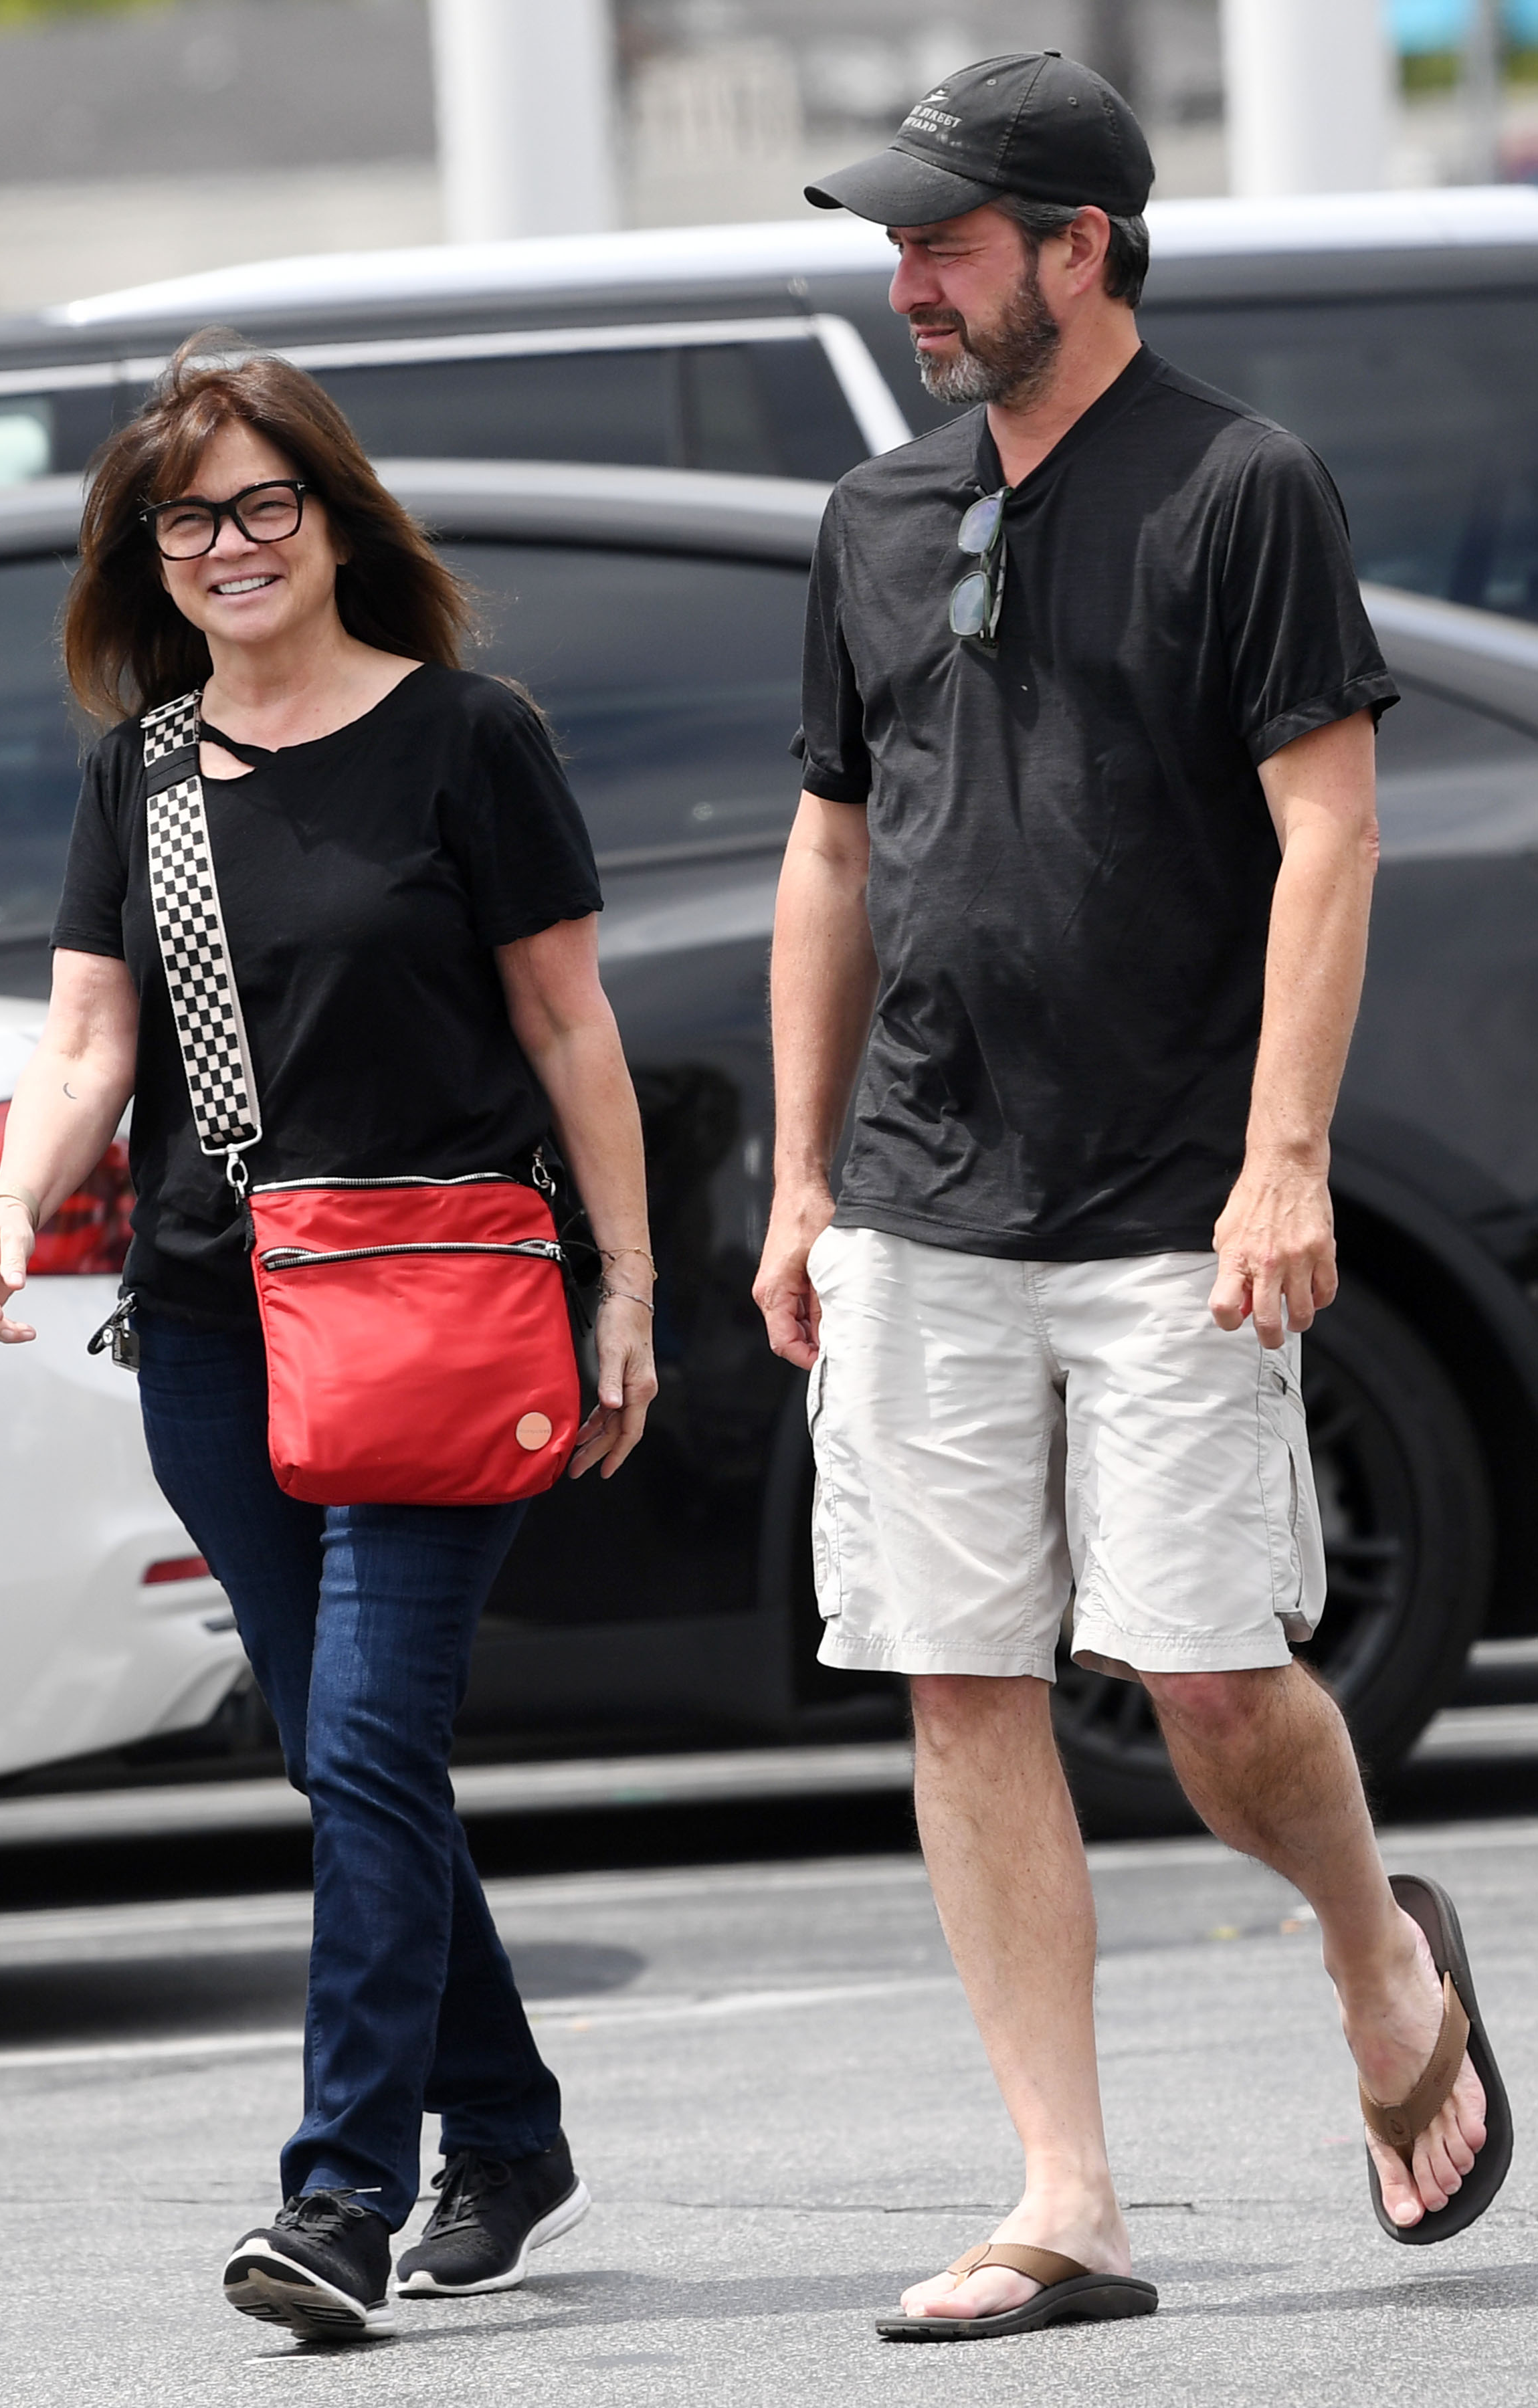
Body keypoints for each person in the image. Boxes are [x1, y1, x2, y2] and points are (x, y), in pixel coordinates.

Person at [755, 51, 1511, 2340]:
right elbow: (832, 850)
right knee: (961, 1681)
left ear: (1082, 246)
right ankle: (1065, 2198)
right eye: (897, 245)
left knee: (1203, 1677)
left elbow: (1332, 831)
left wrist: (1287, 1158)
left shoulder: (1239, 487)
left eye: (949, 243)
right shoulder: (876, 518)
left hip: (1180, 1197)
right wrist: (799, 1185)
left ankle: (1375, 1945)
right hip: (917, 1200)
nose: (910, 284)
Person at [0, 340, 658, 2337]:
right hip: (211, 1325)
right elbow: (89, 1041)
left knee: (364, 1745)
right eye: (190, 519)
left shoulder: (465, 738)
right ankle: (504, 2126)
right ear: (147, 558)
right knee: (357, 1770)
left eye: (268, 505)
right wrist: (17, 1198)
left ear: (335, 518)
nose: (233, 545)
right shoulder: (145, 773)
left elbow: (567, 1025)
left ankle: (340, 2194)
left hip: (438, 1314)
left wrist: (626, 1284)